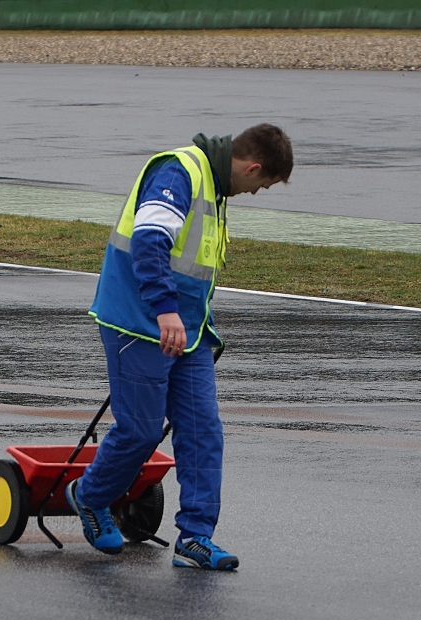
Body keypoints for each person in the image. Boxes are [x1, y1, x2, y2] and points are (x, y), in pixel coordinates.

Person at [65, 124, 294, 570]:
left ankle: (195, 538)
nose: (255, 192)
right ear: (253, 167)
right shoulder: (180, 172)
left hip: (187, 333)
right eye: (261, 185)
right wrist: (166, 310)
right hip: (138, 322)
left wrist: (188, 320)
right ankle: (89, 497)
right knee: (142, 431)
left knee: (202, 432)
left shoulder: (214, 187)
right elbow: (150, 240)